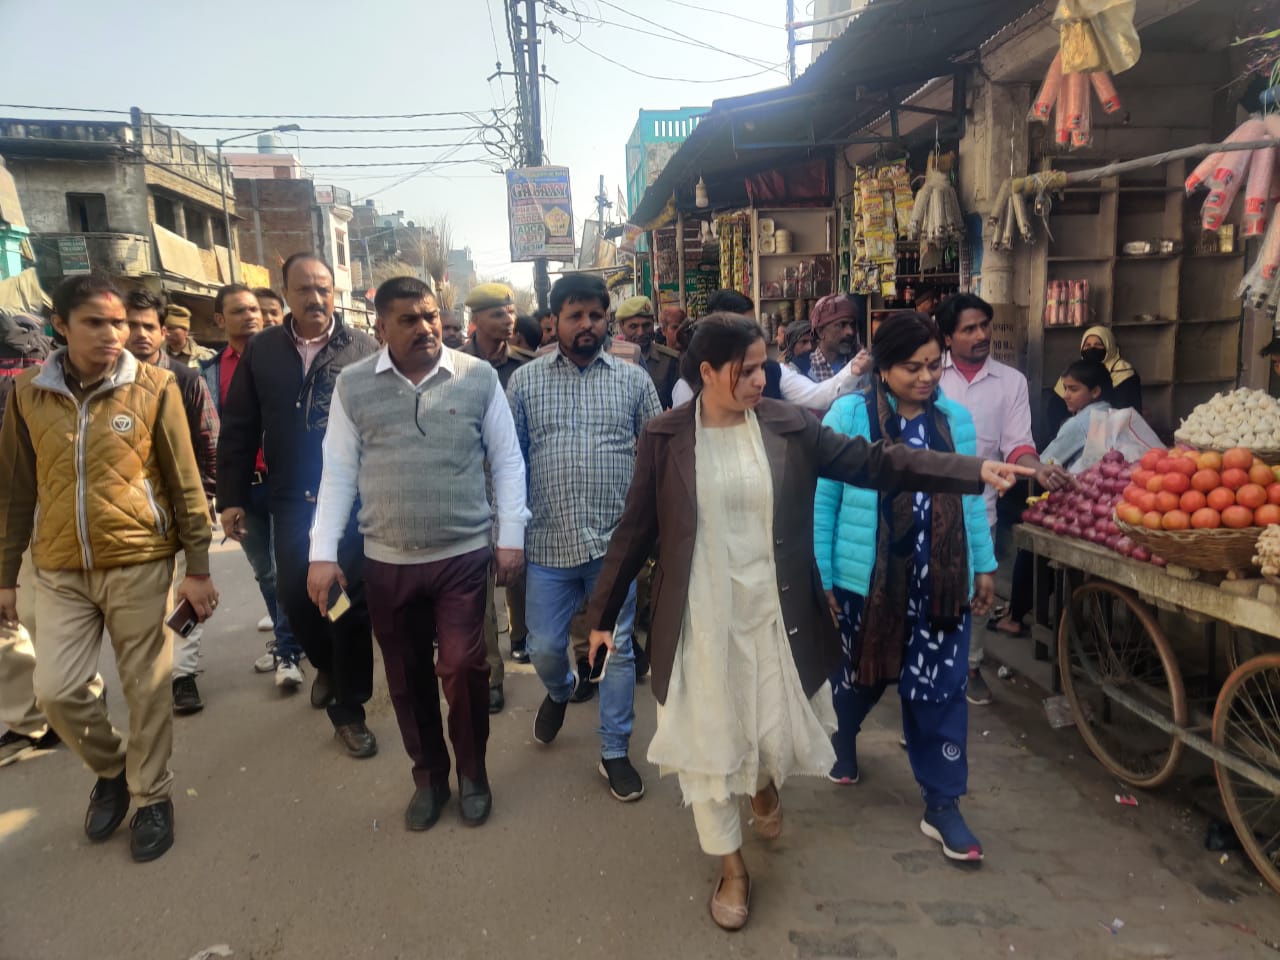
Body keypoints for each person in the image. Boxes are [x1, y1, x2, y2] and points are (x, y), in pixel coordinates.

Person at [584, 313, 1028, 929]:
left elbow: (879, 463)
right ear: (708, 372)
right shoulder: (664, 438)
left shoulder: (788, 426)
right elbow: (636, 530)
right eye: (747, 369)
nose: (761, 379)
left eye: (766, 365)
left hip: (772, 612)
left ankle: (763, 785)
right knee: (709, 744)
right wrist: (602, 615)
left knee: (766, 731)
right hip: (699, 621)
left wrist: (970, 471)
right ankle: (731, 867)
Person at [0, 273, 219, 862]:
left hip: (140, 560)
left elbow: (184, 482)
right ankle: (114, 768)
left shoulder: (154, 386)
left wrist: (196, 566)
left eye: (118, 323)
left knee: (148, 688)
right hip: (59, 566)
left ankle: (153, 796)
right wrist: (4, 576)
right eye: (95, 323)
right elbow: (17, 491)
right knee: (55, 691)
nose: (111, 334)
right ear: (60, 328)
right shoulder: (27, 394)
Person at [308, 276, 528, 830]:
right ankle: (429, 777)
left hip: (462, 556)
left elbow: (507, 460)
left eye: (431, 316)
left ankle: (473, 773)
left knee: (463, 667)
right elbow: (336, 473)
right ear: (379, 328)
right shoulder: (354, 386)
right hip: (388, 560)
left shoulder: (476, 378)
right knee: (405, 679)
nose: (426, 327)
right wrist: (322, 553)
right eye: (409, 319)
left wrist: (510, 539)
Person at [814, 311, 998, 864]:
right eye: (912, 368)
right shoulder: (849, 413)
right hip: (864, 583)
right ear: (884, 367)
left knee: (939, 691)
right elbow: (825, 500)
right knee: (859, 677)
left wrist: (982, 567)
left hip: (940, 586)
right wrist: (820, 575)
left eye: (934, 366)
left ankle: (942, 804)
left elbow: (970, 500)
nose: (926, 378)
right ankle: (842, 737)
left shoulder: (954, 421)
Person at [507, 273, 662, 802]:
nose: (587, 325)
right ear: (555, 322)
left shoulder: (633, 381)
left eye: (596, 315)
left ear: (606, 320)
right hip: (547, 544)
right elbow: (510, 462)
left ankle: (615, 751)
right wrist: (506, 529)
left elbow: (656, 454)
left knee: (614, 653)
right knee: (545, 646)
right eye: (575, 316)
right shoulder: (525, 383)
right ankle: (560, 688)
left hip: (612, 546)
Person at [217, 254, 380, 758]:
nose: (316, 298)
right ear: (284, 293)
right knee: (294, 596)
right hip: (292, 498)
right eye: (304, 289)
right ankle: (325, 663)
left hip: (351, 501)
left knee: (348, 607)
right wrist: (232, 497)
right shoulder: (262, 351)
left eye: (324, 288)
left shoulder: (362, 348)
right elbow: (240, 425)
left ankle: (349, 711)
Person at [935, 293, 1072, 705]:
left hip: (981, 507)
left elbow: (1017, 445)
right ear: (947, 337)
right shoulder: (930, 376)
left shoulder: (1010, 382)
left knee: (979, 591)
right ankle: (932, 673)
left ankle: (971, 666)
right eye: (969, 329)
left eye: (984, 326)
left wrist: (1038, 468)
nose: (981, 335)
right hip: (929, 504)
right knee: (933, 592)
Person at [993, 361, 1148, 638]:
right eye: (1065, 388)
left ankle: (1015, 615)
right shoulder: (1124, 414)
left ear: (1096, 391)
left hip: (1086, 508)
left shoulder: (1078, 423)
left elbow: (1043, 463)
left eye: (1073, 389)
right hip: (1125, 508)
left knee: (1033, 543)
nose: (1066, 395)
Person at [201, 284, 304, 689]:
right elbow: (221, 439)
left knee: (286, 570)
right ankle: (292, 640)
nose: (251, 317)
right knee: (265, 573)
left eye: (255, 310)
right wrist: (226, 498)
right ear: (219, 319)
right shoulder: (210, 373)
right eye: (239, 310)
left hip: (289, 486)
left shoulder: (289, 361)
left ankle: (288, 649)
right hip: (246, 488)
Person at [124, 290, 221, 713]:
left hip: (186, 501)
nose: (139, 334)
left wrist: (210, 493)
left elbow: (209, 437)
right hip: (132, 512)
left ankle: (183, 675)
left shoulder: (184, 378)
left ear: (163, 333)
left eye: (148, 326)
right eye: (130, 324)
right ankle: (151, 671)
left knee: (190, 588)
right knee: (145, 598)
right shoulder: (110, 383)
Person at [459, 282, 528, 714]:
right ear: (477, 320)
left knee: (517, 571)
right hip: (470, 491)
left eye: (511, 312)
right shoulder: (454, 367)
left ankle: (521, 638)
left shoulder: (525, 368)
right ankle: (492, 672)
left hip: (517, 487)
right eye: (499, 314)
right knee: (479, 590)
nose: (509, 320)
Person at [0, 312, 61, 767]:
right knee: (17, 621)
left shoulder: (22, 369)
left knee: (26, 615)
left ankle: (46, 713)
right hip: (24, 504)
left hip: (23, 505)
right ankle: (31, 718)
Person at [671, 290, 869, 413]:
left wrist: (854, 369)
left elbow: (818, 395)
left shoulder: (775, 372)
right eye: (744, 326)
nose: (760, 381)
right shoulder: (689, 385)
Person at [1047, 326, 1142, 434]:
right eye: (1087, 345)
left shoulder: (1124, 373)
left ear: (1109, 345)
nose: (1092, 349)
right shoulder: (1076, 372)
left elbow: (1126, 412)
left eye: (1098, 345)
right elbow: (1055, 408)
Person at [616, 296, 681, 409]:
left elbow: (678, 407)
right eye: (633, 326)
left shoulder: (669, 360)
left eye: (646, 325)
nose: (641, 332)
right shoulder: (611, 360)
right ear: (622, 326)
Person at [792, 294, 861, 383]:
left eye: (852, 325)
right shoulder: (798, 370)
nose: (850, 332)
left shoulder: (860, 365)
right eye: (842, 324)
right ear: (820, 332)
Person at [162, 304, 214, 369]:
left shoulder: (205, 357)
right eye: (164, 329)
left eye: (171, 329)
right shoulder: (156, 355)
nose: (166, 333)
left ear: (186, 331)